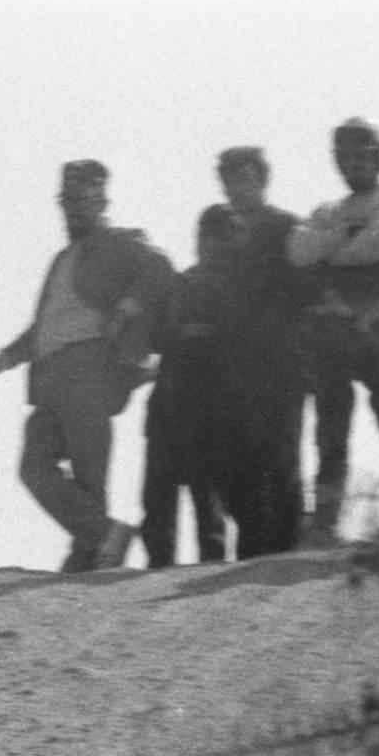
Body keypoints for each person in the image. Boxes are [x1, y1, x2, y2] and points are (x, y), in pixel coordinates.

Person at [0, 160, 172, 572]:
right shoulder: (61, 259)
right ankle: (103, 536)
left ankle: (88, 554)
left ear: (101, 202)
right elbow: (40, 329)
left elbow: (160, 268)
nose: (73, 210)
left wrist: (126, 309)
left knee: (89, 474)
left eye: (82, 201)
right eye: (67, 202)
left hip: (89, 366)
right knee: (33, 467)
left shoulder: (119, 243)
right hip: (49, 375)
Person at [289, 118, 379, 544]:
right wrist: (348, 239)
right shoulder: (329, 211)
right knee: (331, 423)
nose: (355, 164)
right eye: (346, 157)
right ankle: (326, 521)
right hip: (333, 324)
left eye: (363, 156)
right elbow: (299, 251)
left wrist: (332, 252)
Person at [210, 145, 310, 556]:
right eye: (231, 180)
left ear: (262, 180)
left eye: (246, 178)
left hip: (281, 357)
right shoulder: (220, 231)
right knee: (233, 459)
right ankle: (254, 546)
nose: (238, 188)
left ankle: (284, 549)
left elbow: (305, 288)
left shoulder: (286, 226)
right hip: (232, 362)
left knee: (281, 454)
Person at [141, 208, 243, 569]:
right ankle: (157, 570)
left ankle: (208, 571)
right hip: (171, 394)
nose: (211, 245)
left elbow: (238, 337)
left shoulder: (241, 287)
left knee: (207, 492)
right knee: (159, 493)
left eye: (219, 237)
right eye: (206, 236)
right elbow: (156, 335)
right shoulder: (181, 283)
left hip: (213, 398)